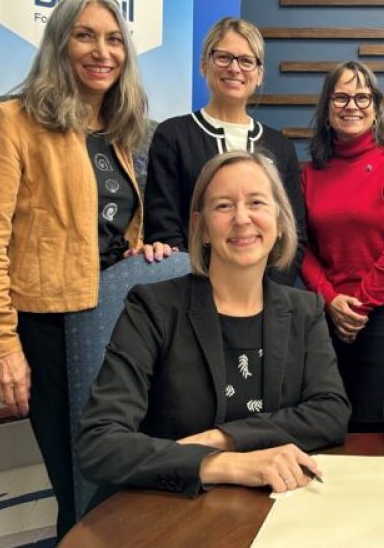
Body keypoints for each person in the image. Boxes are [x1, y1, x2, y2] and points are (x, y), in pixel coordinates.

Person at [0, 0, 172, 539]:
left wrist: (138, 251)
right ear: (59, 42)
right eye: (85, 35)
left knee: (112, 474)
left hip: (112, 323)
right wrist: (4, 348)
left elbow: (102, 231)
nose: (102, 51)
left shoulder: (117, 135)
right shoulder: (10, 123)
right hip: (50, 330)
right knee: (76, 480)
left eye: (113, 39)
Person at [77, 151, 350, 501]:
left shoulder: (305, 309)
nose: (241, 219)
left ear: (280, 222)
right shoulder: (152, 307)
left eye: (256, 202)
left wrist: (222, 438)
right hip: (170, 509)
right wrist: (224, 463)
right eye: (223, 206)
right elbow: (98, 442)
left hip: (277, 507)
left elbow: (331, 413)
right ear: (201, 229)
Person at [301, 61, 384, 431]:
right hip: (328, 313)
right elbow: (300, 247)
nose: (351, 105)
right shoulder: (308, 174)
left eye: (362, 96)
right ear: (326, 109)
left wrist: (361, 304)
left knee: (377, 423)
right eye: (340, 97)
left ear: (375, 106)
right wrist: (330, 300)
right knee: (329, 420)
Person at [144, 17, 305, 285]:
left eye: (246, 60)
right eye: (223, 57)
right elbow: (164, 228)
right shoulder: (172, 136)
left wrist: (265, 293)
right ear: (204, 65)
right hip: (191, 296)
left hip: (265, 301)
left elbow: (293, 231)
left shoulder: (280, 146)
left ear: (259, 74)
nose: (234, 68)